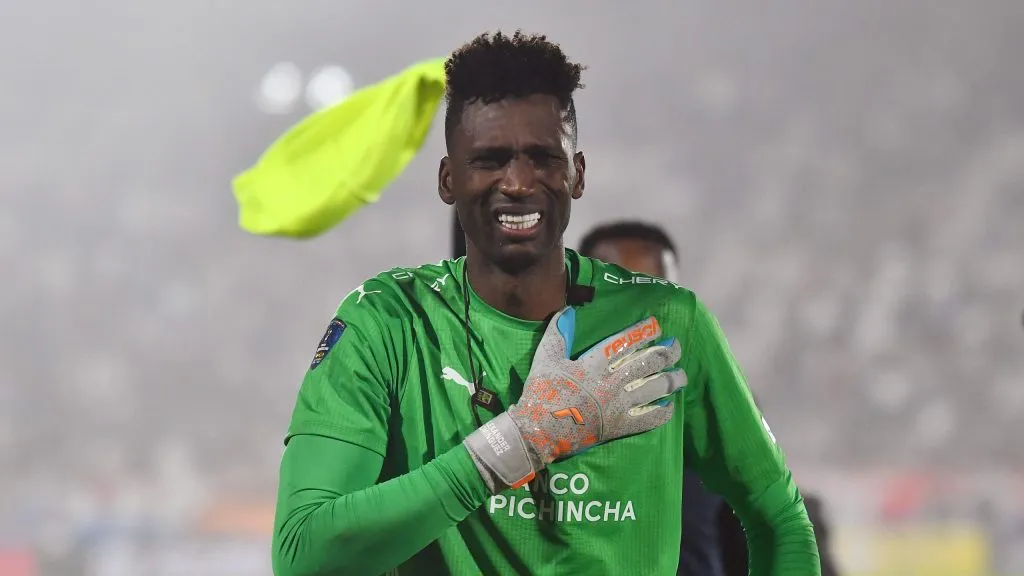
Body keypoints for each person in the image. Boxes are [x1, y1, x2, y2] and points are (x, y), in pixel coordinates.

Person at [272, 30, 820, 576]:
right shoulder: (386, 323)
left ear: (576, 173)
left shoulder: (669, 322)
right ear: (447, 179)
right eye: (489, 160)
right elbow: (303, 556)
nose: (516, 182)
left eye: (542, 158)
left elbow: (780, 521)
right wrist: (515, 444)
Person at [578, 221, 726, 576]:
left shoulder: (716, 399)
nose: (637, 314)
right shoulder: (542, 401)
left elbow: (763, 519)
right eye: (616, 292)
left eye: (655, 293)